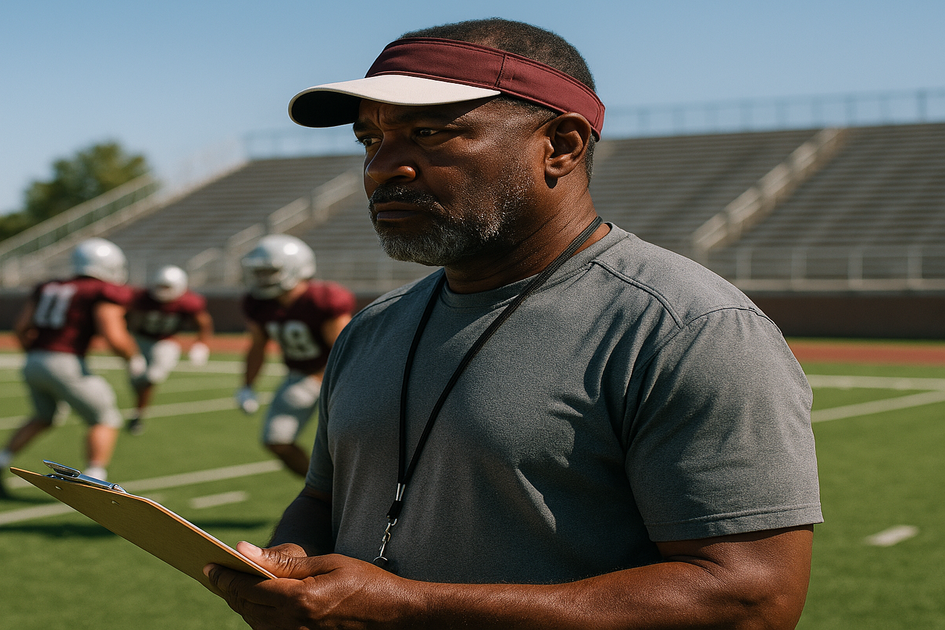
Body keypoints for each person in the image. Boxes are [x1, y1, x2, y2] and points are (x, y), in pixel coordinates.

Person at [204, 18, 822, 630]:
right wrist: (286, 563)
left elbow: (751, 599)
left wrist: (409, 608)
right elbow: (323, 500)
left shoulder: (687, 329)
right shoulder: (372, 328)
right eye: (370, 141)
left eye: (428, 132)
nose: (383, 167)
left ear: (562, 145)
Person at [0, 237, 143, 496]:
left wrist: (38, 356)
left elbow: (21, 327)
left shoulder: (50, 286)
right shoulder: (99, 290)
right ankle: (96, 483)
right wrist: (133, 358)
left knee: (44, 417)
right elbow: (112, 335)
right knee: (104, 418)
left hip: (33, 360)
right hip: (66, 360)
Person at [235, 234, 354, 477]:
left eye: (268, 271)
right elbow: (257, 346)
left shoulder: (321, 299)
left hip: (342, 378)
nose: (261, 278)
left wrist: (316, 381)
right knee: (276, 441)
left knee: (349, 446)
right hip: (298, 375)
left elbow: (347, 351)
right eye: (258, 272)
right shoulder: (258, 303)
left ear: (297, 268)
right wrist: (247, 385)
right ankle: (325, 492)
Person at [123, 264, 215, 435]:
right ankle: (139, 408)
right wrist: (128, 346)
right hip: (140, 339)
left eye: (167, 287)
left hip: (166, 341)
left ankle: (138, 414)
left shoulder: (188, 301)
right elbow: (123, 319)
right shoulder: (142, 298)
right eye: (160, 286)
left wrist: (201, 344)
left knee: (152, 377)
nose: (162, 291)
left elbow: (203, 323)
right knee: (137, 379)